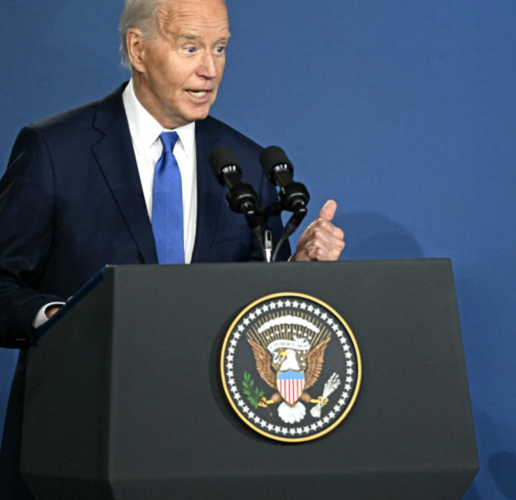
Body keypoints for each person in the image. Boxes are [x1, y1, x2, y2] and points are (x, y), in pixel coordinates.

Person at [0, 0, 345, 497]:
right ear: (138, 50)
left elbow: (249, 309)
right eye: (191, 48)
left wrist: (297, 270)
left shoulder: (245, 165)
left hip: (202, 449)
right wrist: (59, 316)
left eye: (220, 48)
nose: (210, 69)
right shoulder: (55, 150)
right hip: (78, 443)